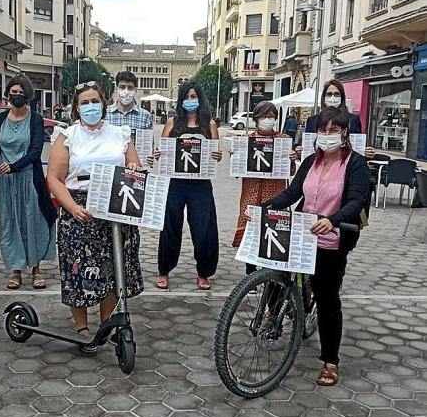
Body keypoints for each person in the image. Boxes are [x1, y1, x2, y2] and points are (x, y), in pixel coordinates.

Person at [262, 106, 371, 386]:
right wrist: (265, 207)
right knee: (276, 274)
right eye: (323, 130)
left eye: (334, 130)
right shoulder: (311, 160)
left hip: (331, 238)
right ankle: (273, 315)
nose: (327, 135)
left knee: (327, 299)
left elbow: (355, 202)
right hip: (301, 232)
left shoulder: (355, 164)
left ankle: (331, 361)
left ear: (345, 133)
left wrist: (332, 220)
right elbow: (292, 192)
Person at [47, 80, 143, 340]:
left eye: (95, 101)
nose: (91, 107)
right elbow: (54, 178)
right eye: (84, 103)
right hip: (79, 207)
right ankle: (81, 326)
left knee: (114, 266)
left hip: (114, 205)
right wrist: (73, 207)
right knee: (79, 267)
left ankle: (108, 322)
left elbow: (134, 163)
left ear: (104, 103)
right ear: (77, 109)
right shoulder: (67, 136)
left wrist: (134, 169)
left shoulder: (120, 133)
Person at [0, 74, 57, 290]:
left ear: (28, 95)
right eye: (13, 92)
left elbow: (36, 151)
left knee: (32, 222)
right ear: (8, 93)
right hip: (4, 183)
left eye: (21, 92)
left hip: (29, 179)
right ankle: (16, 269)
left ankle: (36, 268)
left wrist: (15, 166)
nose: (16, 96)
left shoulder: (35, 120)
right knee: (10, 224)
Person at [155, 81, 223, 290]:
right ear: (181, 100)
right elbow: (163, 151)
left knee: (204, 227)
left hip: (200, 185)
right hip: (175, 183)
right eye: (187, 97)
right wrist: (159, 154)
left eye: (194, 97)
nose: (190, 101)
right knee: (169, 227)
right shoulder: (172, 123)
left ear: (200, 99)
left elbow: (216, 156)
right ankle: (164, 270)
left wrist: (217, 155)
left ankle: (204, 272)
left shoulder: (209, 124)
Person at [232, 101, 298, 273]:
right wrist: (237, 156)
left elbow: (290, 172)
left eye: (271, 116)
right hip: (251, 192)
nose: (268, 120)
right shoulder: (246, 140)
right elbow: (237, 172)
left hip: (275, 192)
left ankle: (270, 271)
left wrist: (291, 159)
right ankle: (250, 272)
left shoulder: (283, 140)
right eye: (264, 116)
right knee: (250, 228)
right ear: (256, 119)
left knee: (272, 227)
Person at [300, 79, 376, 159]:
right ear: (324, 97)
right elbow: (306, 146)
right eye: (329, 94)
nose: (333, 98)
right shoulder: (312, 120)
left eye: (336, 94)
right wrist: (299, 152)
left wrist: (367, 153)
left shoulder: (353, 120)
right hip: (317, 163)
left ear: (342, 97)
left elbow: (358, 147)